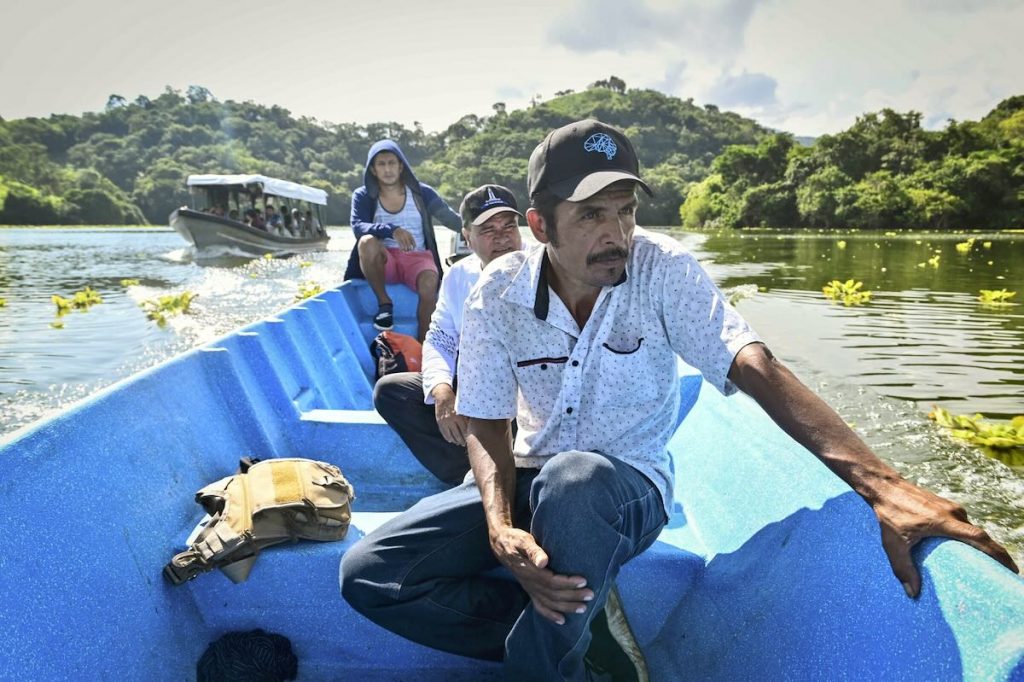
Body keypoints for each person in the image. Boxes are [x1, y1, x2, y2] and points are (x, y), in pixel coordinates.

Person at [341, 120, 1019, 680]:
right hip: (530, 476)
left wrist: (885, 487)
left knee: (578, 482)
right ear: (540, 225)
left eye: (627, 210)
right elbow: (486, 418)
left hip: (624, 489)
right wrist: (495, 520)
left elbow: (752, 363)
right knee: (371, 574)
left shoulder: (663, 271)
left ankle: (555, 667)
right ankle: (579, 632)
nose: (618, 232)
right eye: (593, 215)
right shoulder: (497, 292)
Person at [374, 184, 524, 486]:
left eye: (509, 226)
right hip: (474, 383)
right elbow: (440, 338)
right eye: (488, 230)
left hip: (526, 392)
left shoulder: (544, 270)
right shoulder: (459, 275)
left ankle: (512, 470)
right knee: (391, 391)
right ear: (467, 237)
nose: (503, 237)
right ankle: (467, 475)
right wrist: (441, 391)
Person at [344, 140, 462, 341]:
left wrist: (479, 227)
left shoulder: (422, 192)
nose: (387, 169)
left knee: (430, 283)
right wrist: (391, 230)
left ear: (401, 166)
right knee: (366, 242)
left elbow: (449, 218)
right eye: (381, 164)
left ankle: (426, 346)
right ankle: (384, 304)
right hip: (384, 259)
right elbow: (358, 227)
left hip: (417, 258)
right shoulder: (364, 195)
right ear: (373, 170)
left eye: (392, 163)